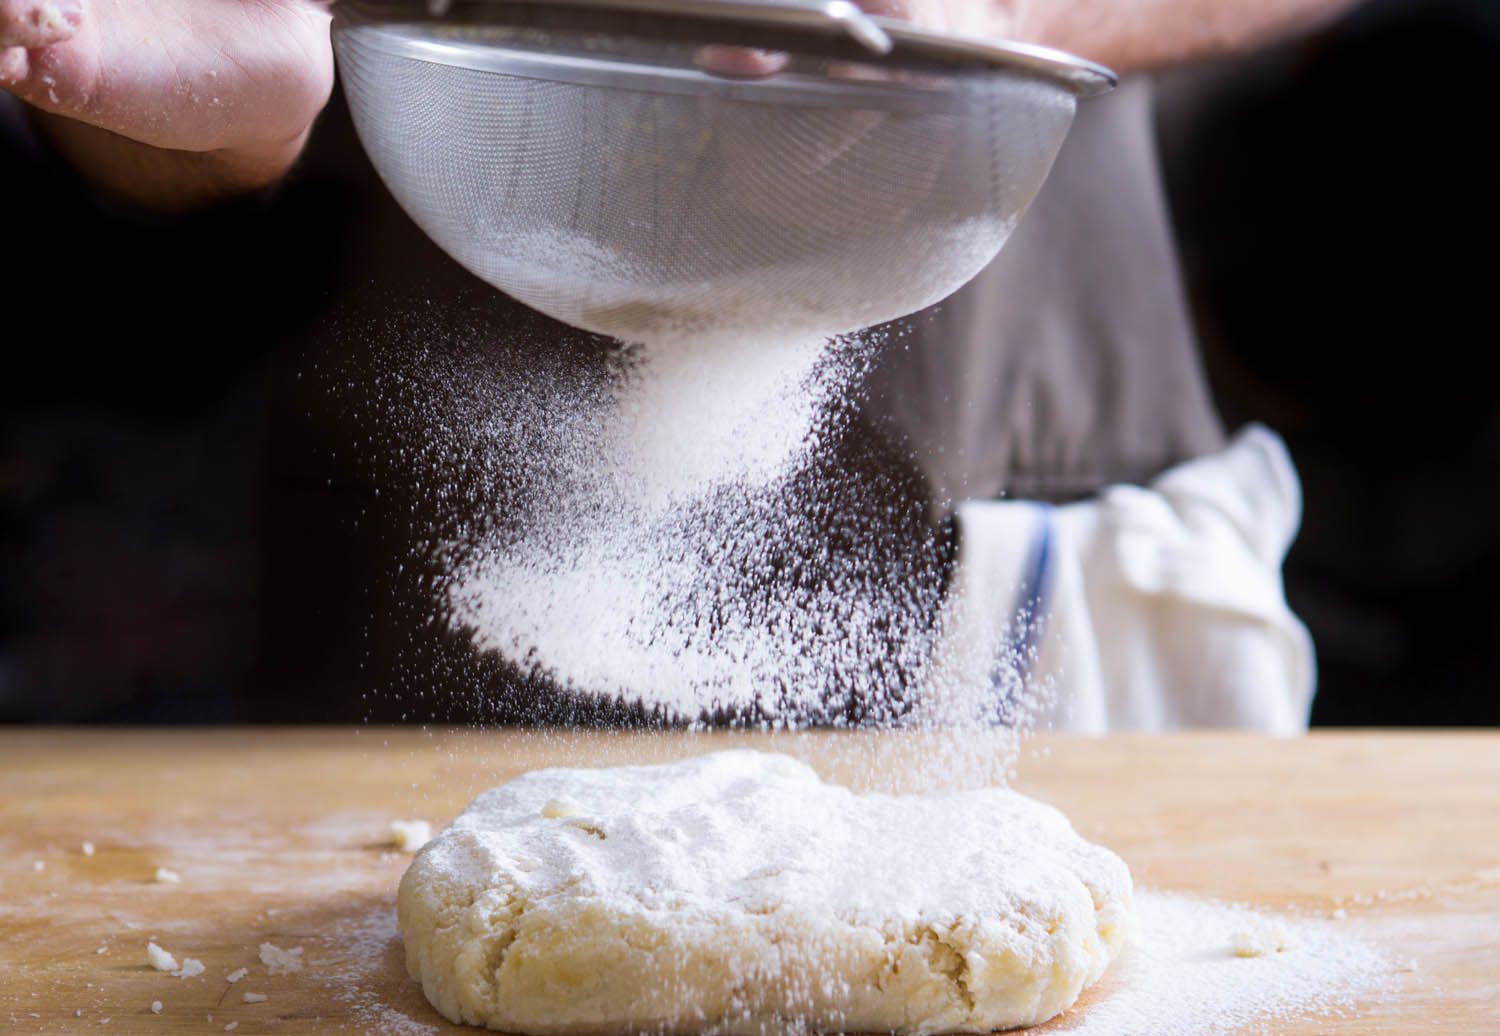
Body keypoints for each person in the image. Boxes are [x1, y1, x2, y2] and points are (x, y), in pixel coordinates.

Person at [0, 0, 1355, 727]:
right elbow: (171, 106)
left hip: (1019, 436)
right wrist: (192, 92)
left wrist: (1006, 12)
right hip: (463, 533)